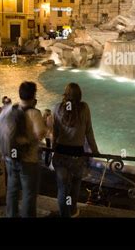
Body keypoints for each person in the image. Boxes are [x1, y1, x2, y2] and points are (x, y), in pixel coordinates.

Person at [0, 82, 46, 218]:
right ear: (33, 95)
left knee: (12, 189)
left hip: (9, 157)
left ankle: (11, 214)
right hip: (28, 159)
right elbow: (40, 134)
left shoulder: (11, 108)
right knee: (29, 193)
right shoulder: (34, 113)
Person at [52, 83, 99, 217]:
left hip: (60, 154)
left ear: (65, 94)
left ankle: (64, 215)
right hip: (77, 156)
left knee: (62, 189)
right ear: (79, 95)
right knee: (75, 186)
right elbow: (89, 132)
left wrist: (52, 148)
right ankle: (72, 210)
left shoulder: (57, 108)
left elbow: (55, 133)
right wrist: (95, 151)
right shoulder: (84, 108)